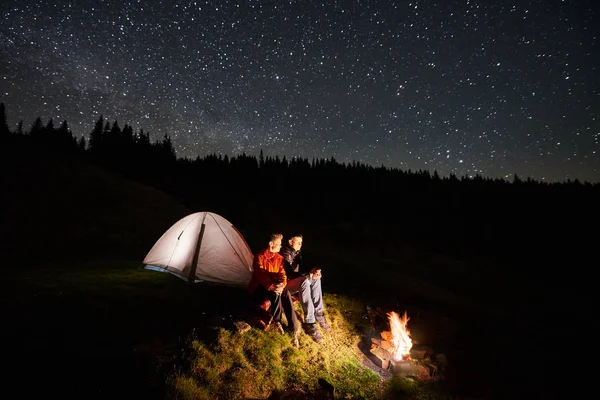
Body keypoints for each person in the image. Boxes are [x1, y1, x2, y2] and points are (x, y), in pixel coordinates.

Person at [248, 233, 300, 345]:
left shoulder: (279, 258)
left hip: (274, 286)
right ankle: (277, 321)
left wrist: (282, 284)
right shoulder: (259, 257)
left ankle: (293, 328)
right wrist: (272, 285)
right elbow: (260, 274)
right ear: (271, 244)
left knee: (285, 292)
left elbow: (282, 274)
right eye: (279, 244)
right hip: (259, 288)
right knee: (275, 291)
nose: (281, 246)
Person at [280, 234, 330, 344]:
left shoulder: (298, 253)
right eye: (298, 242)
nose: (300, 244)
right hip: (285, 285)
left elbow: (302, 270)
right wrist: (308, 275)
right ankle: (310, 322)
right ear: (290, 242)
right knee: (305, 280)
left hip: (295, 281)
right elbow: (290, 274)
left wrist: (313, 271)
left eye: (301, 242)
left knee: (316, 279)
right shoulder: (284, 253)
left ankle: (319, 313)